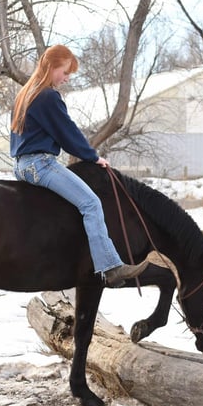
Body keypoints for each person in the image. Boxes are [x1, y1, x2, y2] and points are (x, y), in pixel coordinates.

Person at [10, 44, 148, 287]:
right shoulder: (48, 96)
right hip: (40, 165)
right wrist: (92, 157)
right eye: (65, 72)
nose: (67, 78)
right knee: (91, 203)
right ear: (51, 67)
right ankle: (110, 267)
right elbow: (67, 132)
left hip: (21, 165)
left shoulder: (26, 94)